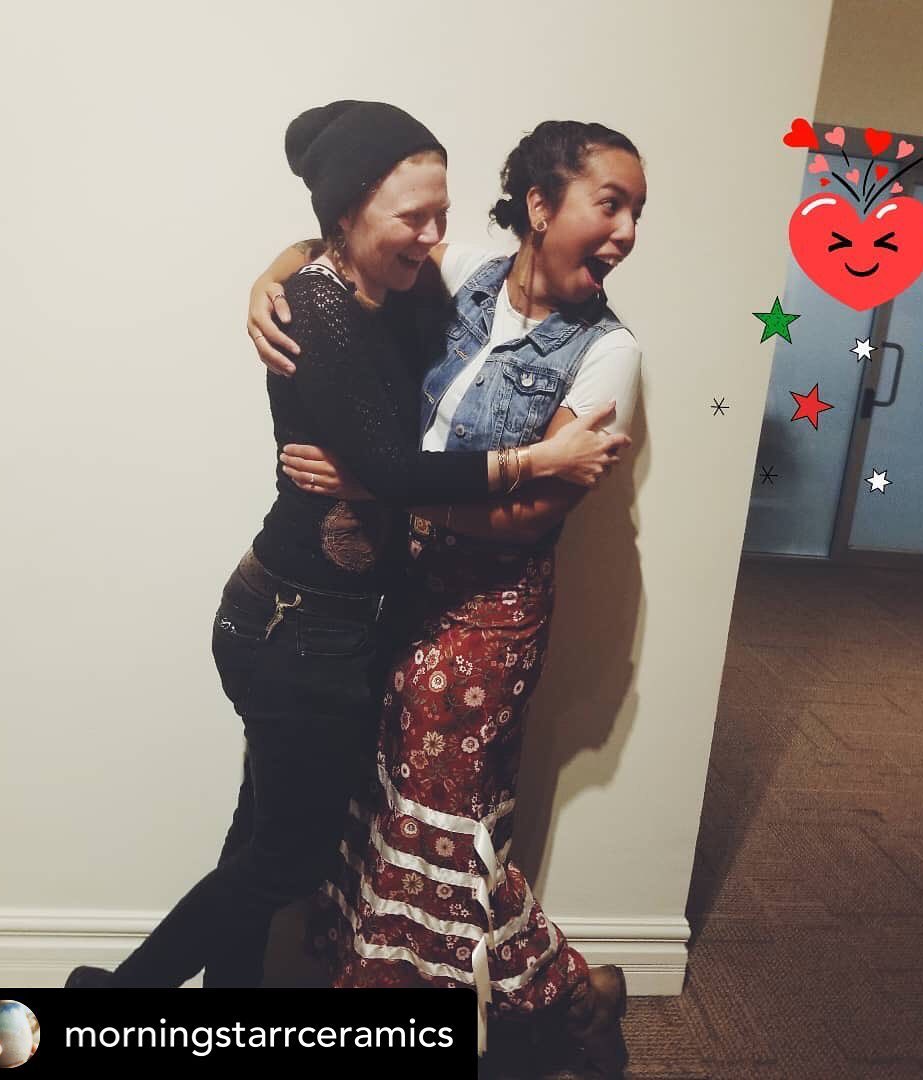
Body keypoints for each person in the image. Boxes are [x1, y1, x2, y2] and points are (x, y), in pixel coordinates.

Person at [63, 102, 626, 993]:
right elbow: (393, 468)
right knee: (288, 857)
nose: (434, 237)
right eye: (414, 217)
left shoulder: (396, 290)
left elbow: (392, 468)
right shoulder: (321, 310)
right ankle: (113, 1000)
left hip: (327, 618)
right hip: (295, 623)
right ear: (347, 213)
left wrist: (275, 266)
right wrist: (537, 458)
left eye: (442, 214)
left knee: (261, 838)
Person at [246, 120, 646, 1077]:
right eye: (611, 204)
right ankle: (568, 994)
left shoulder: (610, 354)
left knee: (439, 834)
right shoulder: (461, 271)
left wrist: (378, 484)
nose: (628, 232)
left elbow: (530, 515)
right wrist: (273, 273)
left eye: (638, 213)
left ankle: (473, 1008)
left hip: (488, 619)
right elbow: (351, 245)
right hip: (392, 590)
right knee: (384, 813)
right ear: (540, 207)